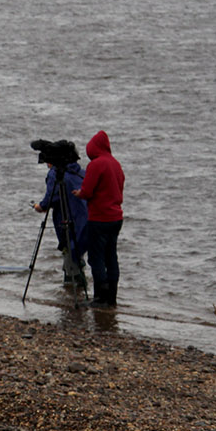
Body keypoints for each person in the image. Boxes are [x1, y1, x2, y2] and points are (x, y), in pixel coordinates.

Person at [74, 130, 125, 308]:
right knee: (111, 256)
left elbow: (87, 192)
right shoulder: (115, 164)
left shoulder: (96, 164)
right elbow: (119, 187)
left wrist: (79, 193)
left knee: (96, 258)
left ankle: (100, 298)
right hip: (116, 217)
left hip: (99, 218)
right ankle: (112, 297)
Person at [33, 155, 88, 290]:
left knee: (69, 249)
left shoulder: (56, 175)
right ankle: (80, 285)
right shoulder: (81, 172)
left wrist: (39, 207)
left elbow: (51, 198)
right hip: (86, 218)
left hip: (68, 219)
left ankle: (72, 287)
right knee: (77, 249)